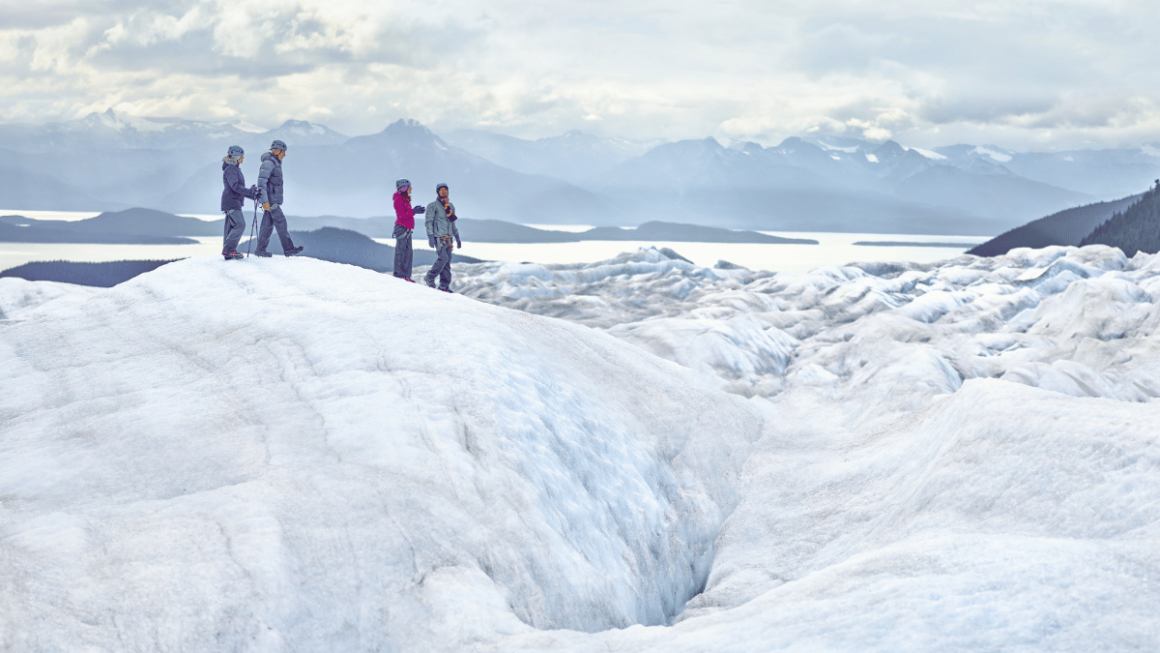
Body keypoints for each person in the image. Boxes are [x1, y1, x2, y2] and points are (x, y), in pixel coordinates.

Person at [254, 139, 304, 257]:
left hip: (272, 199)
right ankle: (289, 249)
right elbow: (261, 183)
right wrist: (265, 201)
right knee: (281, 223)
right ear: (277, 151)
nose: (285, 154)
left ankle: (260, 250)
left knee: (267, 226)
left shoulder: (274, 163)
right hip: (271, 200)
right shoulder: (269, 163)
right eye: (283, 151)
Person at [220, 145, 258, 260]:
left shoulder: (233, 168)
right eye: (241, 156)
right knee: (240, 224)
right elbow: (235, 187)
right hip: (232, 202)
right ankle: (228, 250)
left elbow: (237, 189)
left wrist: (252, 195)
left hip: (231, 201)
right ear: (236, 157)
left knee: (231, 227)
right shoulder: (231, 169)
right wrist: (250, 192)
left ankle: (228, 252)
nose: (243, 158)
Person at [424, 182, 461, 292]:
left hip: (449, 238)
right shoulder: (432, 206)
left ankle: (444, 286)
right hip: (439, 238)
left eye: (445, 189)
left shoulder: (450, 206)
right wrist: (430, 236)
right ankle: (430, 276)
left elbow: (452, 223)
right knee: (443, 258)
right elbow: (429, 222)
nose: (444, 191)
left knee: (447, 262)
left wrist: (457, 236)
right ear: (438, 192)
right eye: (441, 190)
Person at [391, 179, 427, 281]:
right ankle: (399, 275)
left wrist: (413, 210)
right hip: (402, 229)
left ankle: (406, 276)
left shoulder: (404, 198)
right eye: (408, 186)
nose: (410, 188)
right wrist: (414, 211)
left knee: (408, 253)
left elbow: (406, 213)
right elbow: (402, 215)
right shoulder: (398, 199)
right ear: (403, 188)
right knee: (401, 252)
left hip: (406, 229)